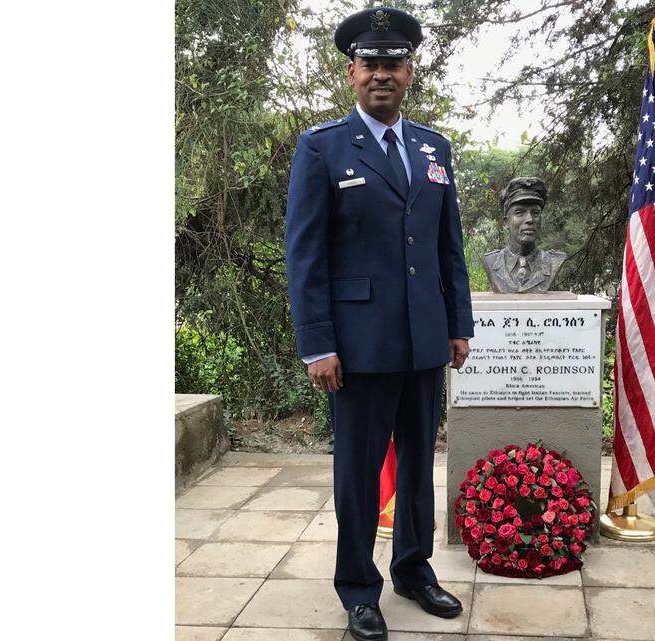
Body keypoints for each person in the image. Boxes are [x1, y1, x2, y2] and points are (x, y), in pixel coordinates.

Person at [283, 6, 474, 641]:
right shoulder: (322, 147)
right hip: (357, 348)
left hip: (424, 340)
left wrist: (458, 325)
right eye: (371, 65)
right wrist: (317, 344)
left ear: (411, 71)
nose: (382, 75)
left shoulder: (433, 148)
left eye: (393, 64)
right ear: (351, 74)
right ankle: (359, 589)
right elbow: (305, 255)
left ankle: (414, 571)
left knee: (420, 466)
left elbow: (450, 247)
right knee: (359, 476)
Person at [483, 177, 566, 294]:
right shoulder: (491, 261)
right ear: (506, 222)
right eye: (520, 213)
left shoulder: (554, 261)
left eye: (535, 213)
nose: (530, 219)